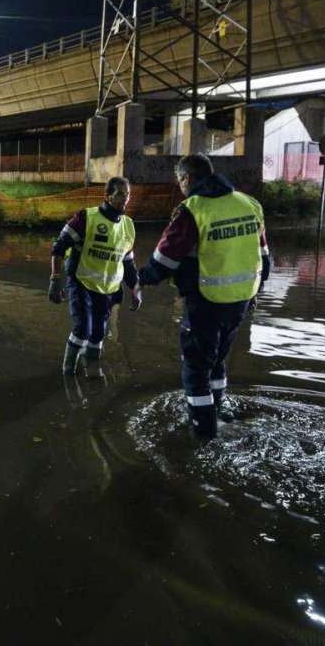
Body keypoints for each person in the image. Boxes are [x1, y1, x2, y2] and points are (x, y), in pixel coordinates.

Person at [137, 154, 270, 439]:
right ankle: (218, 411)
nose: (180, 186)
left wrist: (140, 278)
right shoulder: (249, 204)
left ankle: (204, 434)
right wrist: (256, 292)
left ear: (187, 179)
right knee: (218, 360)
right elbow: (265, 258)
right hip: (241, 300)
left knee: (196, 369)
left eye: (180, 181)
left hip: (207, 301)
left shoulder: (192, 210)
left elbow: (165, 261)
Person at [48, 176, 142, 377]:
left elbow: (128, 263)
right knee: (82, 328)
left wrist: (135, 289)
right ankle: (67, 374)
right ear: (107, 196)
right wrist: (55, 279)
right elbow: (58, 247)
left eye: (128, 195)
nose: (125, 199)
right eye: (120, 195)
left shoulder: (128, 226)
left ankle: (91, 370)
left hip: (107, 291)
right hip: (81, 283)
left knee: (99, 333)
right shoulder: (86, 218)